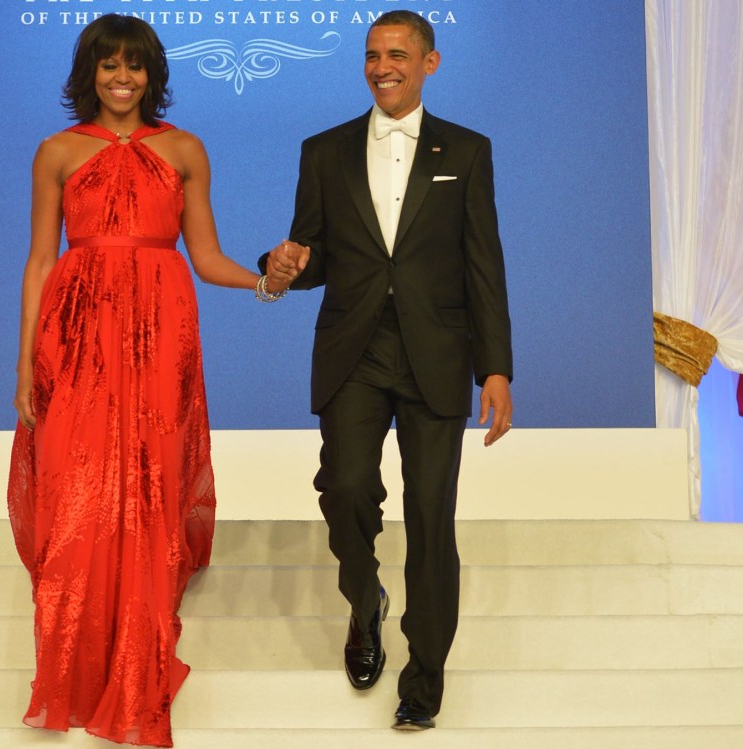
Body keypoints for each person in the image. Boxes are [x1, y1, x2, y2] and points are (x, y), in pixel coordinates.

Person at [6, 14, 295, 746]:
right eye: (108, 66)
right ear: (89, 74)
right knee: (76, 490)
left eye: (134, 66)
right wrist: (22, 365)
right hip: (74, 336)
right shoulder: (57, 152)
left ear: (152, 73)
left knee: (150, 483)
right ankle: (72, 666)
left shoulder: (185, 150)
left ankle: (136, 665)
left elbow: (207, 255)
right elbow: (41, 260)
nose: (122, 79)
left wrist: (266, 282)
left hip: (162, 335)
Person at [262, 10, 513, 731]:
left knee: (432, 518)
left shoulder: (466, 151)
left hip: (437, 357)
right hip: (356, 352)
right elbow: (308, 256)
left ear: (429, 63)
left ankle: (424, 678)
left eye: (397, 54)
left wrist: (494, 367)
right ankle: (365, 596)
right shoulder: (326, 150)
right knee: (343, 490)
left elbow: (483, 265)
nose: (382, 66)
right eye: (372, 55)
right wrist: (279, 270)